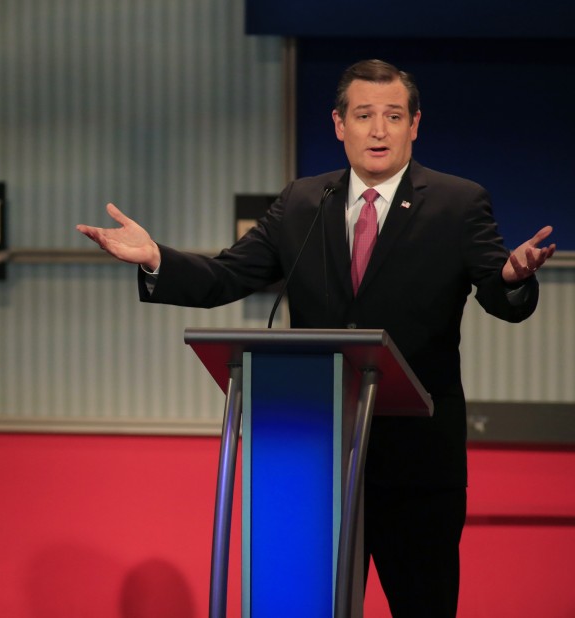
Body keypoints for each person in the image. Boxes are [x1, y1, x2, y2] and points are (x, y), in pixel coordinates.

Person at [77, 59, 555, 617]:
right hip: (315, 458)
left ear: (414, 125)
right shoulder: (303, 201)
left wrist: (513, 279)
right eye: (364, 115)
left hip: (418, 465)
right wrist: (158, 258)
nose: (378, 129)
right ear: (338, 124)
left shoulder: (458, 202)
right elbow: (230, 275)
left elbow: (498, 294)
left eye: (393, 116)